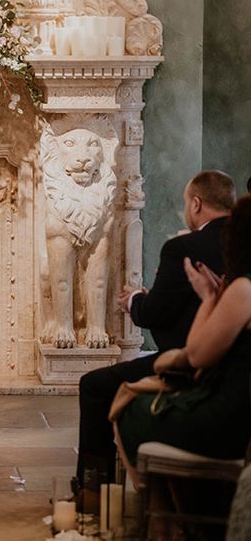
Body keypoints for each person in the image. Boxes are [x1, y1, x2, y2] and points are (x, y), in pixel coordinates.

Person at [76, 170, 235, 488]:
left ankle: (95, 488)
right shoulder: (241, 245)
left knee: (94, 385)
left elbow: (153, 313)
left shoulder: (183, 248)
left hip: (189, 363)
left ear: (196, 203)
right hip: (233, 364)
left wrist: (134, 299)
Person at [115, 192, 251, 484]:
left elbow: (197, 354)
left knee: (130, 408)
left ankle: (163, 518)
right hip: (240, 414)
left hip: (230, 419)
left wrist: (208, 299)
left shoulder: (244, 289)